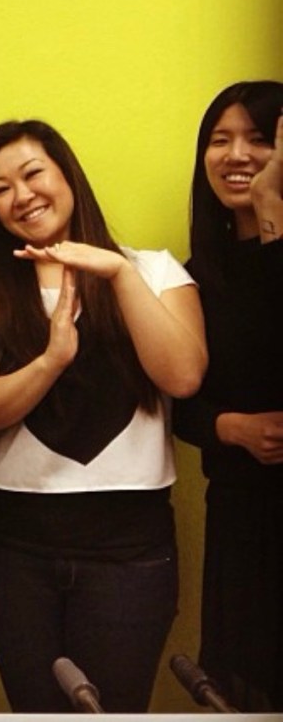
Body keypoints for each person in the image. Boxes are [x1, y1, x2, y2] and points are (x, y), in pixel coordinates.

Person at [0, 119, 207, 713]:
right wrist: (50, 362)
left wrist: (116, 272)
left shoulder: (155, 270)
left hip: (131, 547)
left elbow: (184, 376)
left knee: (111, 710)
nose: (22, 195)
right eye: (1, 189)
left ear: (68, 176)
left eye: (32, 173)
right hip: (19, 546)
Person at [173, 81, 283, 712]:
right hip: (240, 517)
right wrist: (232, 427)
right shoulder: (195, 277)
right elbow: (177, 400)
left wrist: (271, 208)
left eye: (258, 139)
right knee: (240, 693)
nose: (236, 155)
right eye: (220, 140)